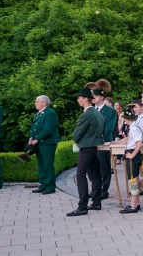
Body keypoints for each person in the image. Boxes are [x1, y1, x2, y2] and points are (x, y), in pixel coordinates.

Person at [67, 87, 104, 216]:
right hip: (94, 147)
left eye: (79, 98)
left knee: (80, 175)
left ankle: (82, 206)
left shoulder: (86, 114)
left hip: (87, 147)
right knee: (95, 175)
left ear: (85, 99)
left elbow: (76, 133)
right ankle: (96, 202)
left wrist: (77, 139)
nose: (78, 100)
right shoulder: (97, 113)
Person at [28, 95, 59, 195]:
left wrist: (37, 139)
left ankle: (50, 186)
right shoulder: (39, 114)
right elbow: (35, 128)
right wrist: (31, 138)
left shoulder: (50, 113)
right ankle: (43, 184)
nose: (35, 103)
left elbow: (48, 130)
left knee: (47, 165)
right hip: (39, 143)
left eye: (37, 101)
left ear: (44, 103)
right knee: (41, 164)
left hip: (48, 143)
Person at [91, 81, 116, 201]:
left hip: (103, 143)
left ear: (102, 97)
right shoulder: (90, 110)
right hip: (91, 144)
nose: (93, 98)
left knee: (104, 168)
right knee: (92, 168)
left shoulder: (110, 111)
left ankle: (104, 190)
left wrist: (97, 140)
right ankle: (95, 189)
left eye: (95, 96)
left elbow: (108, 129)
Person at [118, 109, 143, 214]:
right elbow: (129, 139)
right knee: (134, 179)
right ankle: (135, 203)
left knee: (133, 180)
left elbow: (139, 142)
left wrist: (132, 154)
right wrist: (116, 142)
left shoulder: (134, 129)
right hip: (132, 153)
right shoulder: (134, 127)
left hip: (132, 154)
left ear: (125, 119)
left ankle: (133, 205)